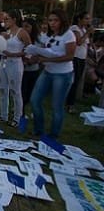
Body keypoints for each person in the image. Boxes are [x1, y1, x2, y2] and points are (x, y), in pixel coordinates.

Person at [27, 9, 77, 139]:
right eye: (50, 20)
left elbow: (70, 56)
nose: (52, 23)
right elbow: (45, 51)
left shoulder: (68, 34)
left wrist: (47, 59)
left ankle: (53, 134)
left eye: (56, 20)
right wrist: (35, 55)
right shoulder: (48, 35)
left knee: (57, 105)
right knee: (35, 100)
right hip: (48, 71)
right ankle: (39, 130)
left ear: (62, 21)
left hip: (62, 74)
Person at [0, 10, 31, 126]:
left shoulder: (21, 33)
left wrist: (16, 54)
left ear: (14, 19)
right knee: (2, 89)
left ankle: (17, 118)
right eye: (4, 19)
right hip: (4, 61)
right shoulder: (6, 32)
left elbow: (29, 49)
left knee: (15, 91)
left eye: (7, 19)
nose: (5, 21)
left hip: (15, 62)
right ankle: (3, 115)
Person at [66, 11, 92, 112]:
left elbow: (87, 45)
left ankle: (70, 102)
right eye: (86, 18)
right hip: (75, 57)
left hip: (82, 58)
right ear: (79, 19)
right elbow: (79, 42)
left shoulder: (84, 29)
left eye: (89, 19)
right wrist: (87, 33)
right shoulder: (75, 28)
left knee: (77, 81)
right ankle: (69, 104)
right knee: (74, 81)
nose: (88, 21)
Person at [21, 17, 42, 112]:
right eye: (23, 26)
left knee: (30, 93)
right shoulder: (19, 39)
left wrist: (31, 60)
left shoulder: (38, 41)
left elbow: (39, 55)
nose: (24, 29)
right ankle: (20, 112)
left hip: (33, 70)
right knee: (22, 92)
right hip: (22, 70)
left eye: (27, 27)